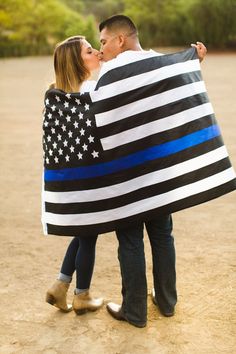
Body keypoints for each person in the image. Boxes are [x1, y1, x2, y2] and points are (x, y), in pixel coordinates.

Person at [98, 15, 207, 328]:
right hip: (161, 171)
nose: (102, 48)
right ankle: (167, 301)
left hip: (127, 173)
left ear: (120, 39)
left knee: (130, 240)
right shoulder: (163, 62)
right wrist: (194, 60)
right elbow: (182, 99)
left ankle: (134, 310)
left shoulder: (111, 71)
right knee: (163, 236)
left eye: (104, 41)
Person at [45, 36, 103, 315]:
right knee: (89, 233)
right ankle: (82, 295)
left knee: (84, 232)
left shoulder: (56, 96)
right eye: (90, 50)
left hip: (70, 179)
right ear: (79, 62)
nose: (98, 52)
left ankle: (60, 285)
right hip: (91, 177)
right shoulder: (91, 89)